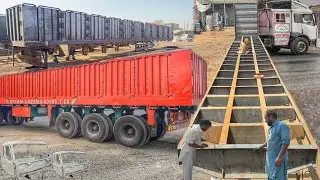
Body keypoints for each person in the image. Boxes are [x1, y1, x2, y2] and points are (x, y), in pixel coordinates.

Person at [255, 110, 290, 180]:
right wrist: (260, 147)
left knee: (279, 177)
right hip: (270, 161)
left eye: (265, 118)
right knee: (271, 176)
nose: (265, 120)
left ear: (271, 117)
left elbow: (286, 142)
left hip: (277, 160)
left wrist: (279, 157)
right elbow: (270, 141)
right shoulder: (271, 128)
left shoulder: (282, 126)